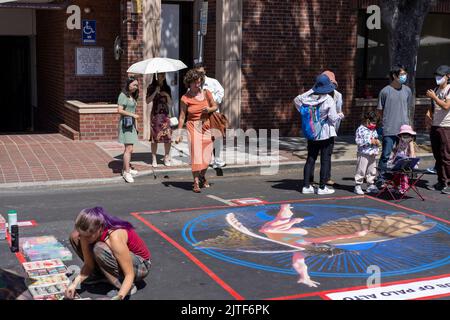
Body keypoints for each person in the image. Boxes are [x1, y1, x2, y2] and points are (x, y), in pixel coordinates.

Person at [65, 207, 151, 300]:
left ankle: (125, 286)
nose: (85, 239)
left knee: (99, 248)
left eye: (89, 236)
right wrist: (74, 284)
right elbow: (88, 265)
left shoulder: (115, 236)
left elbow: (129, 274)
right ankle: (99, 275)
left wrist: (119, 297)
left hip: (140, 266)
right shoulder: (86, 235)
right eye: (84, 235)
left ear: (100, 228)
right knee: (75, 236)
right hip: (116, 259)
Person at [294, 74, 344, 195]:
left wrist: (312, 89)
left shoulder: (306, 99)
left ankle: (306, 186)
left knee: (310, 158)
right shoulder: (328, 100)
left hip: (312, 133)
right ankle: (322, 187)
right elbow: (332, 119)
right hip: (325, 134)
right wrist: (340, 116)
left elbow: (296, 100)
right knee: (325, 160)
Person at [176, 69, 218, 193]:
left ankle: (202, 175)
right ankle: (195, 182)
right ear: (189, 83)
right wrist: (178, 133)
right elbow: (182, 116)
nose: (197, 84)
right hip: (192, 126)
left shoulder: (207, 93)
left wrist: (209, 109)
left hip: (206, 126)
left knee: (207, 155)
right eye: (195, 82)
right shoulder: (185, 98)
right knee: (196, 154)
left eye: (199, 82)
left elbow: (215, 106)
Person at [377, 65, 413, 184]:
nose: (404, 76)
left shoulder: (407, 90)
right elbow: (380, 111)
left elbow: (408, 108)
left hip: (404, 130)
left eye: (405, 74)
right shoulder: (385, 91)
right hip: (389, 128)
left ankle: (399, 178)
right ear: (394, 75)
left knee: (402, 156)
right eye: (401, 74)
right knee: (386, 155)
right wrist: (384, 124)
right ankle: (381, 178)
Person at [193, 63, 226, 169]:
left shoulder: (213, 82)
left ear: (205, 72)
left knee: (216, 136)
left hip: (213, 113)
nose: (200, 75)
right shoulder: (194, 84)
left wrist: (212, 102)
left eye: (201, 72)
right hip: (201, 115)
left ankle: (217, 159)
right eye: (198, 73)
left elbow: (221, 92)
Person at [426, 65, 450, 194]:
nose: (438, 78)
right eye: (437, 75)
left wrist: (434, 97)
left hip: (446, 127)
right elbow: (432, 107)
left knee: (446, 155)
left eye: (441, 75)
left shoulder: (449, 89)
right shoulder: (435, 89)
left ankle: (449, 183)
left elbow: (446, 106)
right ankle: (441, 182)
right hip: (435, 126)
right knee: (438, 156)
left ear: (448, 76)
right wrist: (428, 115)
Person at [321, 70, 344, 186]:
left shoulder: (337, 95)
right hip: (317, 129)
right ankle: (309, 179)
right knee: (313, 155)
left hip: (330, 129)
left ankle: (326, 178)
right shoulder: (316, 92)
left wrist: (336, 129)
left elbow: (339, 111)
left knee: (327, 155)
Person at [146, 73, 173, 167]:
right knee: (155, 138)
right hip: (156, 116)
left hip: (165, 115)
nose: (162, 76)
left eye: (163, 75)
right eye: (160, 75)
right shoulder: (151, 87)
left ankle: (166, 157)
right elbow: (147, 101)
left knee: (168, 138)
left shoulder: (167, 87)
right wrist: (155, 92)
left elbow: (171, 103)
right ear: (156, 76)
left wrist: (166, 95)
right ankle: (154, 158)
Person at [117, 77, 140, 183]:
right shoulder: (123, 95)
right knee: (128, 149)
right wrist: (133, 115)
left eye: (137, 85)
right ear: (128, 84)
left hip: (132, 125)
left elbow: (134, 111)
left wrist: (137, 125)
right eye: (134, 85)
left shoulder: (133, 96)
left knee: (130, 149)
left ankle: (125, 169)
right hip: (126, 125)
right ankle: (127, 172)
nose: (136, 87)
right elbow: (119, 110)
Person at [354, 111, 381, 195]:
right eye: (372, 123)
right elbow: (358, 141)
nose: (374, 125)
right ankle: (358, 185)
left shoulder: (373, 130)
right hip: (363, 153)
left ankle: (370, 184)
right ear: (367, 120)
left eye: (375, 123)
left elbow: (375, 138)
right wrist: (369, 141)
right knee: (361, 169)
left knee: (372, 169)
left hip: (372, 153)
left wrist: (377, 142)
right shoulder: (361, 129)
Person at [389, 125, 417, 194]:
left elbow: (412, 151)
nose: (405, 137)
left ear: (410, 135)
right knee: (396, 174)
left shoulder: (410, 142)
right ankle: (395, 186)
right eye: (404, 135)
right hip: (399, 159)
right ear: (401, 135)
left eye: (407, 135)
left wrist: (412, 160)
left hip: (406, 160)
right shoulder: (400, 140)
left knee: (403, 174)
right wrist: (394, 154)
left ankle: (404, 187)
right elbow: (397, 149)